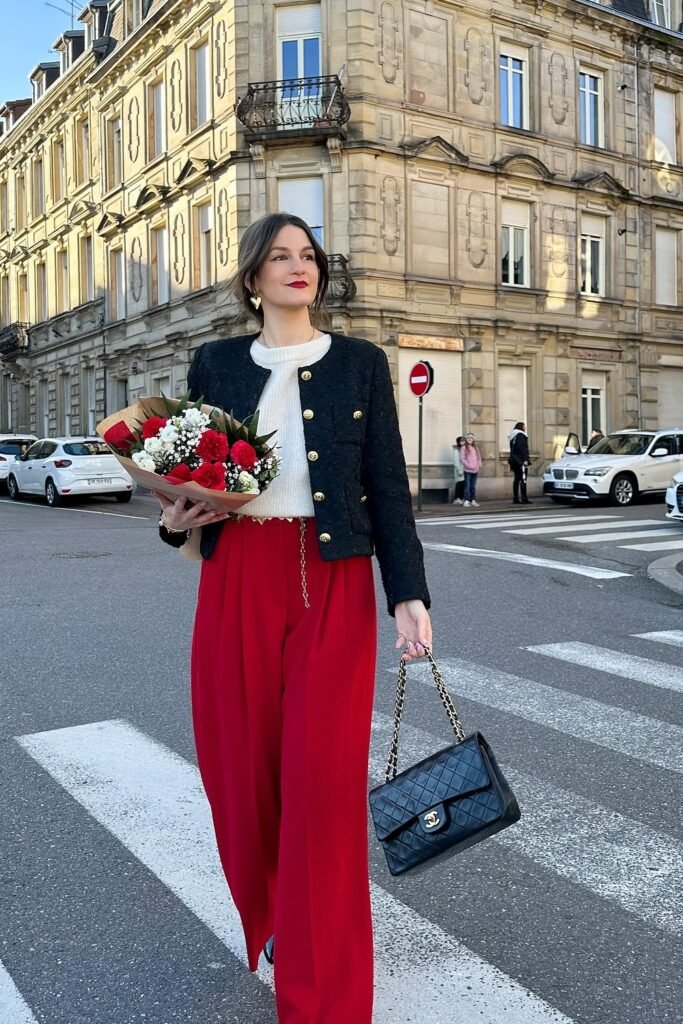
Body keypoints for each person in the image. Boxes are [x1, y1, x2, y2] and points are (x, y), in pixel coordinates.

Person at [154, 212, 432, 1024]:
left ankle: (323, 998)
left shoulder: (358, 363)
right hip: (238, 576)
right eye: (278, 256)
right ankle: (277, 911)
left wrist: (407, 594)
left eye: (306, 254)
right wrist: (172, 519)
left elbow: (387, 486)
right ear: (253, 277)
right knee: (241, 778)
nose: (296, 266)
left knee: (322, 789)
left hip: (333, 581)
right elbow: (185, 481)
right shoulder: (214, 364)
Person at [508, 421, 532, 504]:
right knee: (523, 479)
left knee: (516, 479)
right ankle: (524, 498)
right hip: (520, 461)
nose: (525, 428)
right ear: (521, 427)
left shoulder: (513, 436)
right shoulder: (520, 435)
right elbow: (522, 448)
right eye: (524, 426)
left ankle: (515, 498)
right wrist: (525, 460)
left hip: (514, 461)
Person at [461, 432, 482, 506]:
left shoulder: (475, 448)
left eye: (471, 438)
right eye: (468, 438)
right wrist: (468, 465)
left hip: (475, 470)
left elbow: (479, 457)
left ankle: (472, 500)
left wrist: (479, 465)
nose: (470, 439)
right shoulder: (464, 448)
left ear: (473, 439)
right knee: (467, 485)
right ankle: (466, 500)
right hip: (467, 470)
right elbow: (462, 458)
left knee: (473, 486)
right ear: (466, 440)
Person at [452, 435, 466, 504]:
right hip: (459, 469)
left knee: (463, 484)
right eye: (461, 441)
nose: (463, 442)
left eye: (464, 441)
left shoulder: (465, 449)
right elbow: (456, 461)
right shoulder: (456, 450)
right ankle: (457, 498)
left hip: (465, 469)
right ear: (458, 442)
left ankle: (462, 497)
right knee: (459, 484)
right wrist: (459, 469)